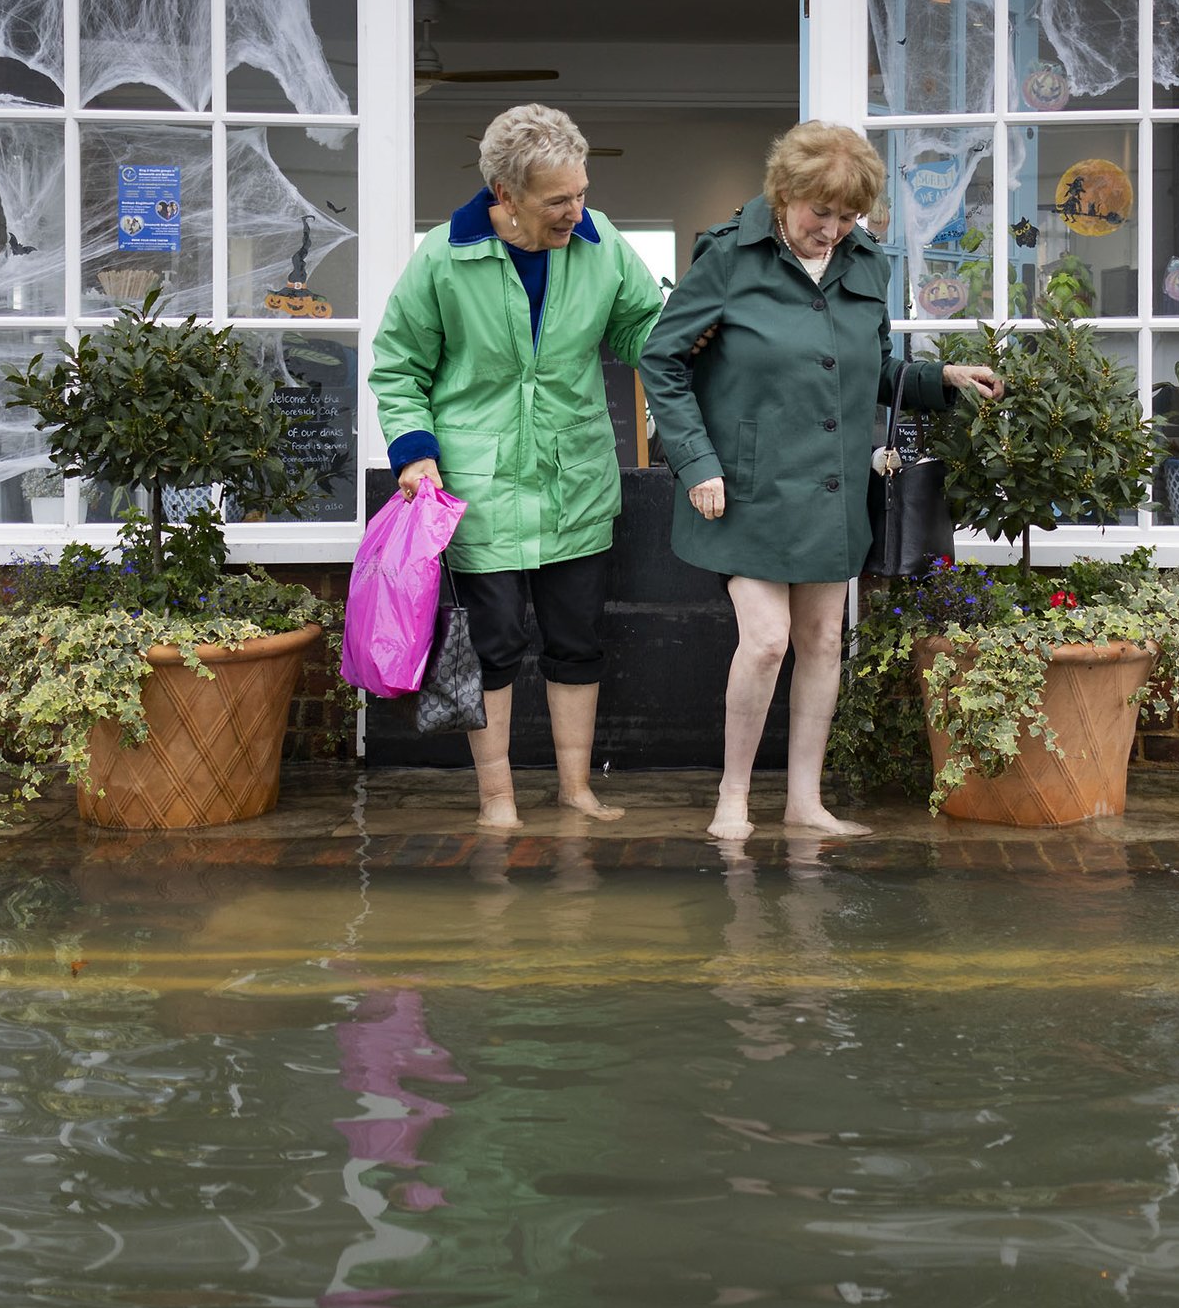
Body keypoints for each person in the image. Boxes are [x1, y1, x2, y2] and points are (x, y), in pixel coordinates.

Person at [639, 122, 1002, 841]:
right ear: (785, 194)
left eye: (846, 217)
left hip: (832, 490)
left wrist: (939, 377)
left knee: (822, 642)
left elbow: (874, 370)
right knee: (768, 640)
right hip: (744, 486)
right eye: (819, 214)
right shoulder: (728, 257)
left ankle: (804, 800)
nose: (831, 230)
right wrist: (696, 460)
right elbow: (662, 360)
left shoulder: (865, 265)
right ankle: (733, 799)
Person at [370, 104, 664, 830]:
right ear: (505, 194)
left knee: (577, 639)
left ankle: (575, 789)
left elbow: (642, 332)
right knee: (494, 644)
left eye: (582, 193)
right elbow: (399, 364)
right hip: (477, 483)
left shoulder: (603, 247)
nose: (577, 211)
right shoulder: (443, 256)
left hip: (575, 478)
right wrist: (414, 451)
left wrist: (694, 330)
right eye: (558, 199)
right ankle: (496, 800)